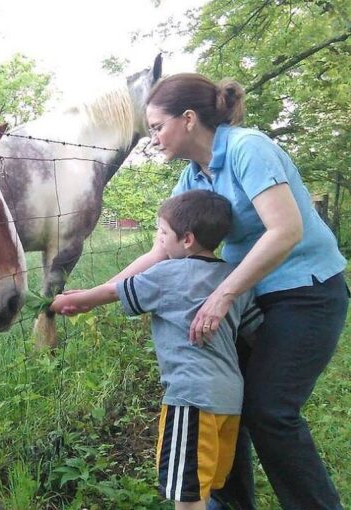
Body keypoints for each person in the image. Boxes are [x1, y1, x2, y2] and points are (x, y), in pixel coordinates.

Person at [108, 73, 347, 510]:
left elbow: (286, 229)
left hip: (305, 291)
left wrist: (222, 297)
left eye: (157, 127)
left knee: (270, 411)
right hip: (248, 297)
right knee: (224, 396)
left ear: (188, 118)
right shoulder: (193, 180)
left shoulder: (246, 148)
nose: (153, 138)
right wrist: (97, 293)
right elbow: (161, 250)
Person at [51, 189, 264, 510]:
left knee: (187, 495)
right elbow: (255, 330)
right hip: (230, 401)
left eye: (163, 233)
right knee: (207, 487)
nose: (159, 240)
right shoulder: (233, 281)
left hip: (190, 401)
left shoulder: (166, 275)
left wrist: (66, 300)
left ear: (187, 239)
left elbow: (104, 295)